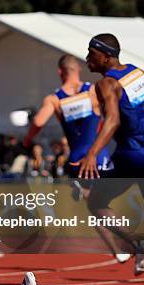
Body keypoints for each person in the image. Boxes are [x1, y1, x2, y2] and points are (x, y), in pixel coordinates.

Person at [76, 33, 144, 285]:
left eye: (91, 53)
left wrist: (92, 153)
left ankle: (137, 243)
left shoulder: (106, 84)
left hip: (132, 155)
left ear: (106, 56)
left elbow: (113, 121)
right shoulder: (138, 73)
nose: (86, 58)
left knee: (96, 202)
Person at [22, 54, 126, 262]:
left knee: (96, 208)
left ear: (60, 72)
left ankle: (128, 245)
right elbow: (114, 115)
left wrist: (26, 141)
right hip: (100, 156)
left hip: (78, 160)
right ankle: (126, 246)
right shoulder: (94, 90)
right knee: (101, 207)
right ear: (78, 69)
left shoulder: (55, 99)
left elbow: (39, 122)